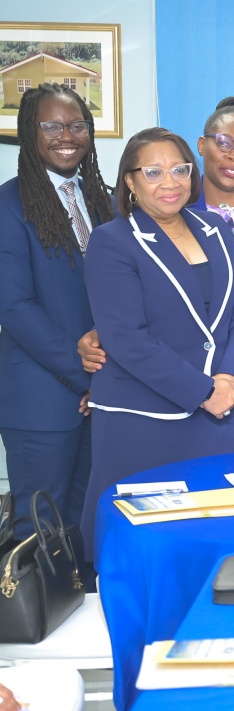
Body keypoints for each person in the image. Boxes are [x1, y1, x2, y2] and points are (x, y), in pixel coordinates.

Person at [78, 97, 234, 452]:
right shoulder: (149, 217)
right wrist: (99, 331)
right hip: (169, 380)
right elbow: (132, 308)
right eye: (224, 143)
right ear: (202, 146)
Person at [81, 127, 234, 556]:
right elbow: (126, 339)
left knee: (215, 543)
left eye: (180, 170)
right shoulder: (112, 241)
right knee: (145, 551)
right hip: (144, 422)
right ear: (130, 180)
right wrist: (203, 391)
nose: (170, 182)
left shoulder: (215, 227)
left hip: (216, 417)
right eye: (154, 172)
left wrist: (228, 378)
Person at [0, 83, 112, 535]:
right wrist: (84, 376)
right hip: (41, 401)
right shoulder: (8, 205)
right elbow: (15, 307)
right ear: (29, 132)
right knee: (39, 529)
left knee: (89, 524)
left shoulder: (102, 200)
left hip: (103, 399)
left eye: (77, 125)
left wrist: (105, 382)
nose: (67, 136)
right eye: (51, 126)